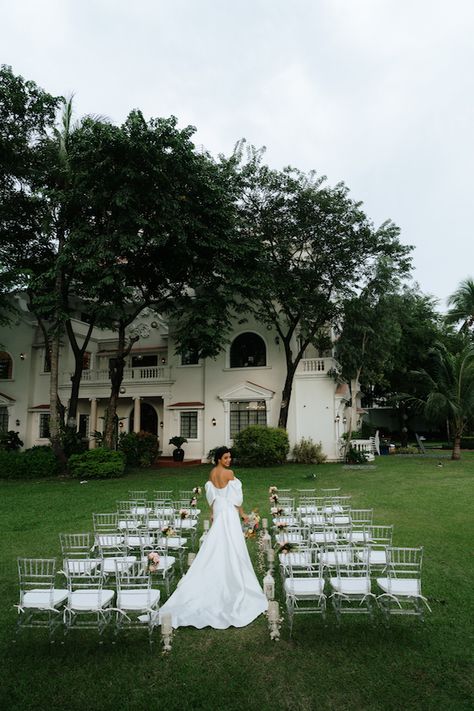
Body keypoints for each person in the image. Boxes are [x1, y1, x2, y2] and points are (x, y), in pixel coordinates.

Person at [158, 446, 268, 629]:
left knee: (216, 545)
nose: (229, 460)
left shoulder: (211, 474)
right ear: (219, 459)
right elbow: (235, 499)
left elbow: (213, 498)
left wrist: (212, 513)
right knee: (232, 546)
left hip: (219, 512)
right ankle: (233, 579)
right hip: (229, 514)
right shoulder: (229, 473)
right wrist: (243, 515)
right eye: (226, 458)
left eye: (230, 457)